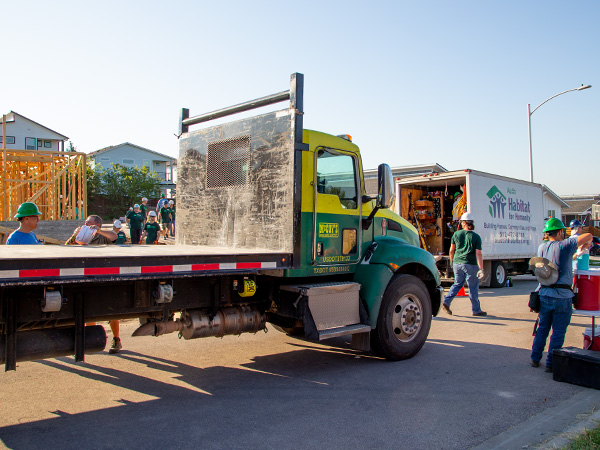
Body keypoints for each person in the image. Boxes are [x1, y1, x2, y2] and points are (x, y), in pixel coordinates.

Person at [530, 218, 593, 372]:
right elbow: (589, 235)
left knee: (543, 328)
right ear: (559, 232)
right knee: (558, 332)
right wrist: (585, 244)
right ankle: (551, 363)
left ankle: (535, 358)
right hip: (562, 296)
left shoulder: (542, 248)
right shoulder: (564, 245)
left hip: (544, 293)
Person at [442, 212, 487, 317]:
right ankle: (476, 310)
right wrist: (481, 269)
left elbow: (451, 250)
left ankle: (446, 301)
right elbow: (478, 254)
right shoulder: (476, 237)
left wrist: (453, 263)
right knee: (473, 287)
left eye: (461, 222)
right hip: (470, 264)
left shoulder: (456, 234)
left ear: (464, 223)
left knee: (457, 284)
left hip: (457, 263)